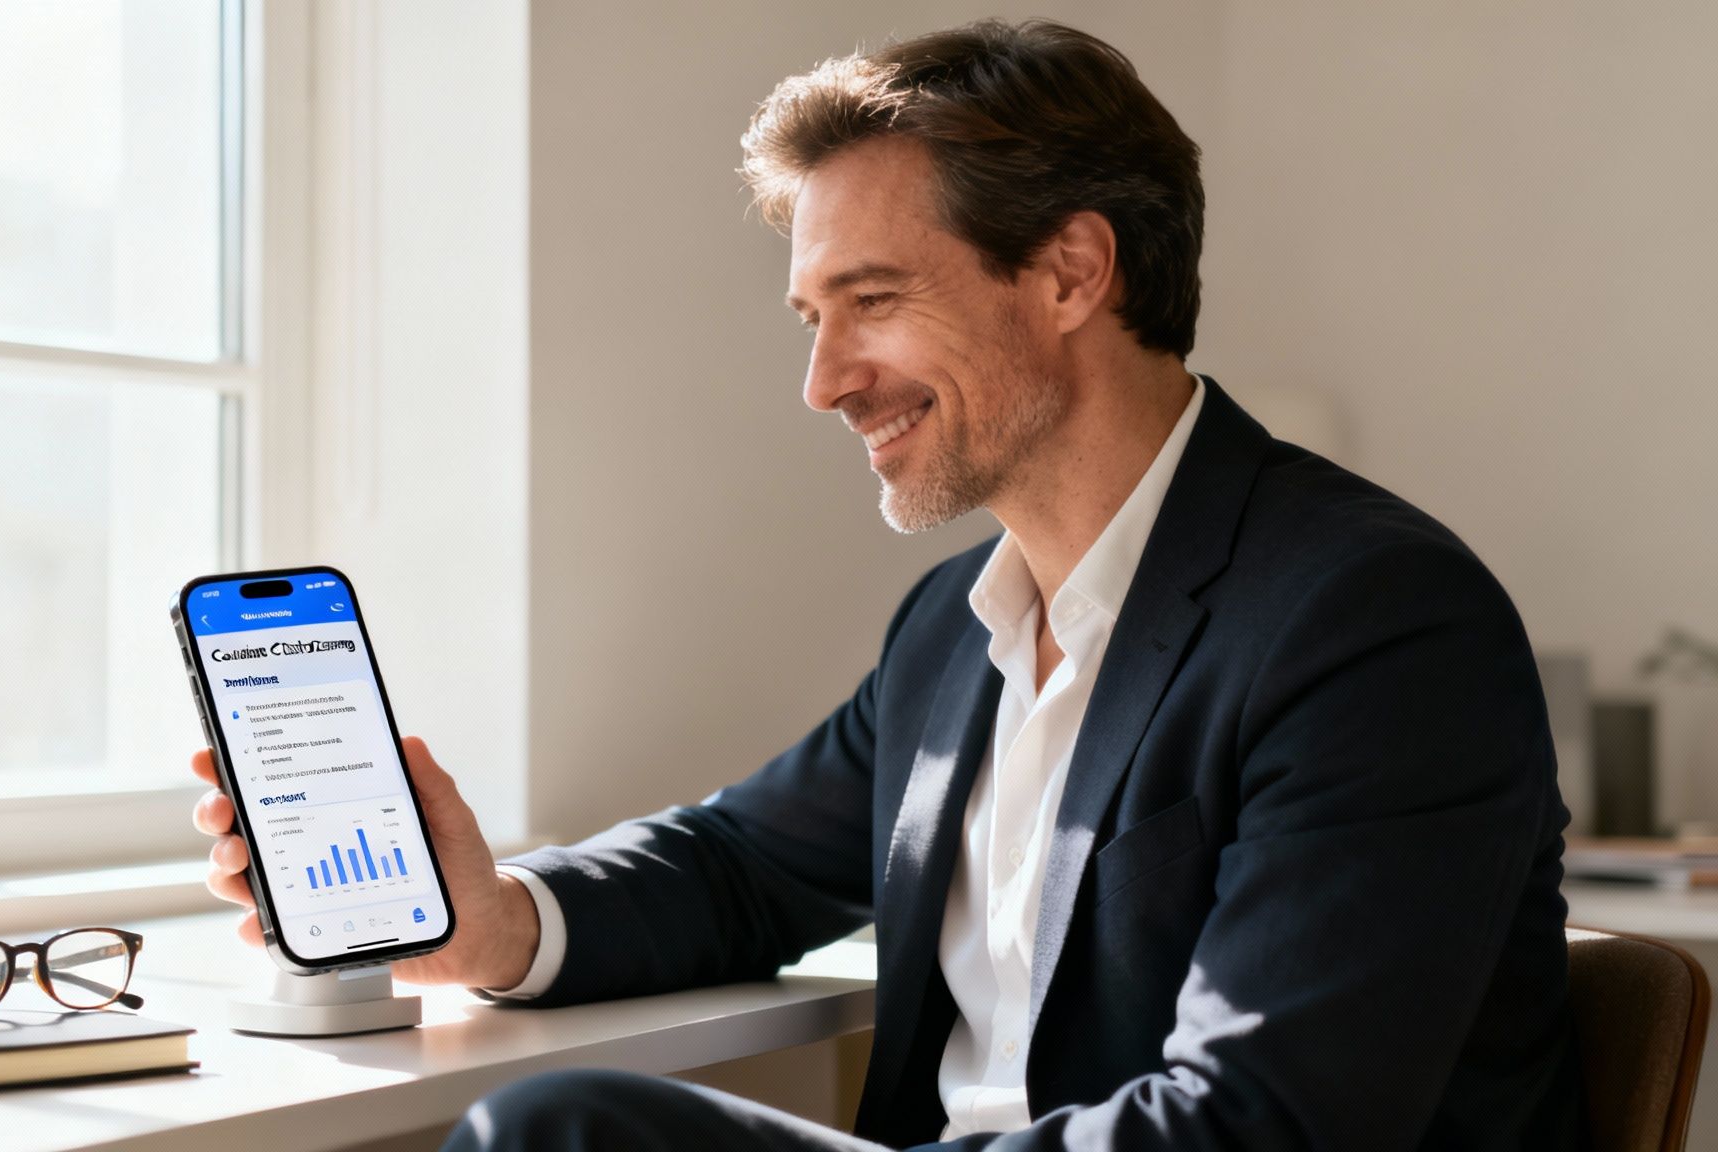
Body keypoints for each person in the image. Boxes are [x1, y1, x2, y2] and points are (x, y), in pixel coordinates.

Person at [192, 19, 1581, 1150]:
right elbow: (741, 866)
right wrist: (493, 917)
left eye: (873, 301)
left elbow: (1270, 1128)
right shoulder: (954, 628)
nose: (823, 382)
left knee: (561, 1133)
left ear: (1070, 271)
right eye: (814, 317)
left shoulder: (1374, 624)